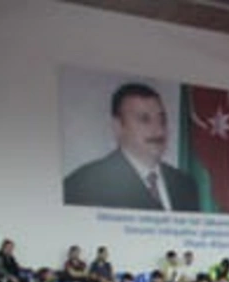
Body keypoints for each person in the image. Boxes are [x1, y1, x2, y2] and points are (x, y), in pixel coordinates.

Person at [63, 83, 200, 212]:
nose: (159, 130)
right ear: (118, 127)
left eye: (162, 120)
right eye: (144, 119)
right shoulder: (83, 185)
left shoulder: (186, 185)